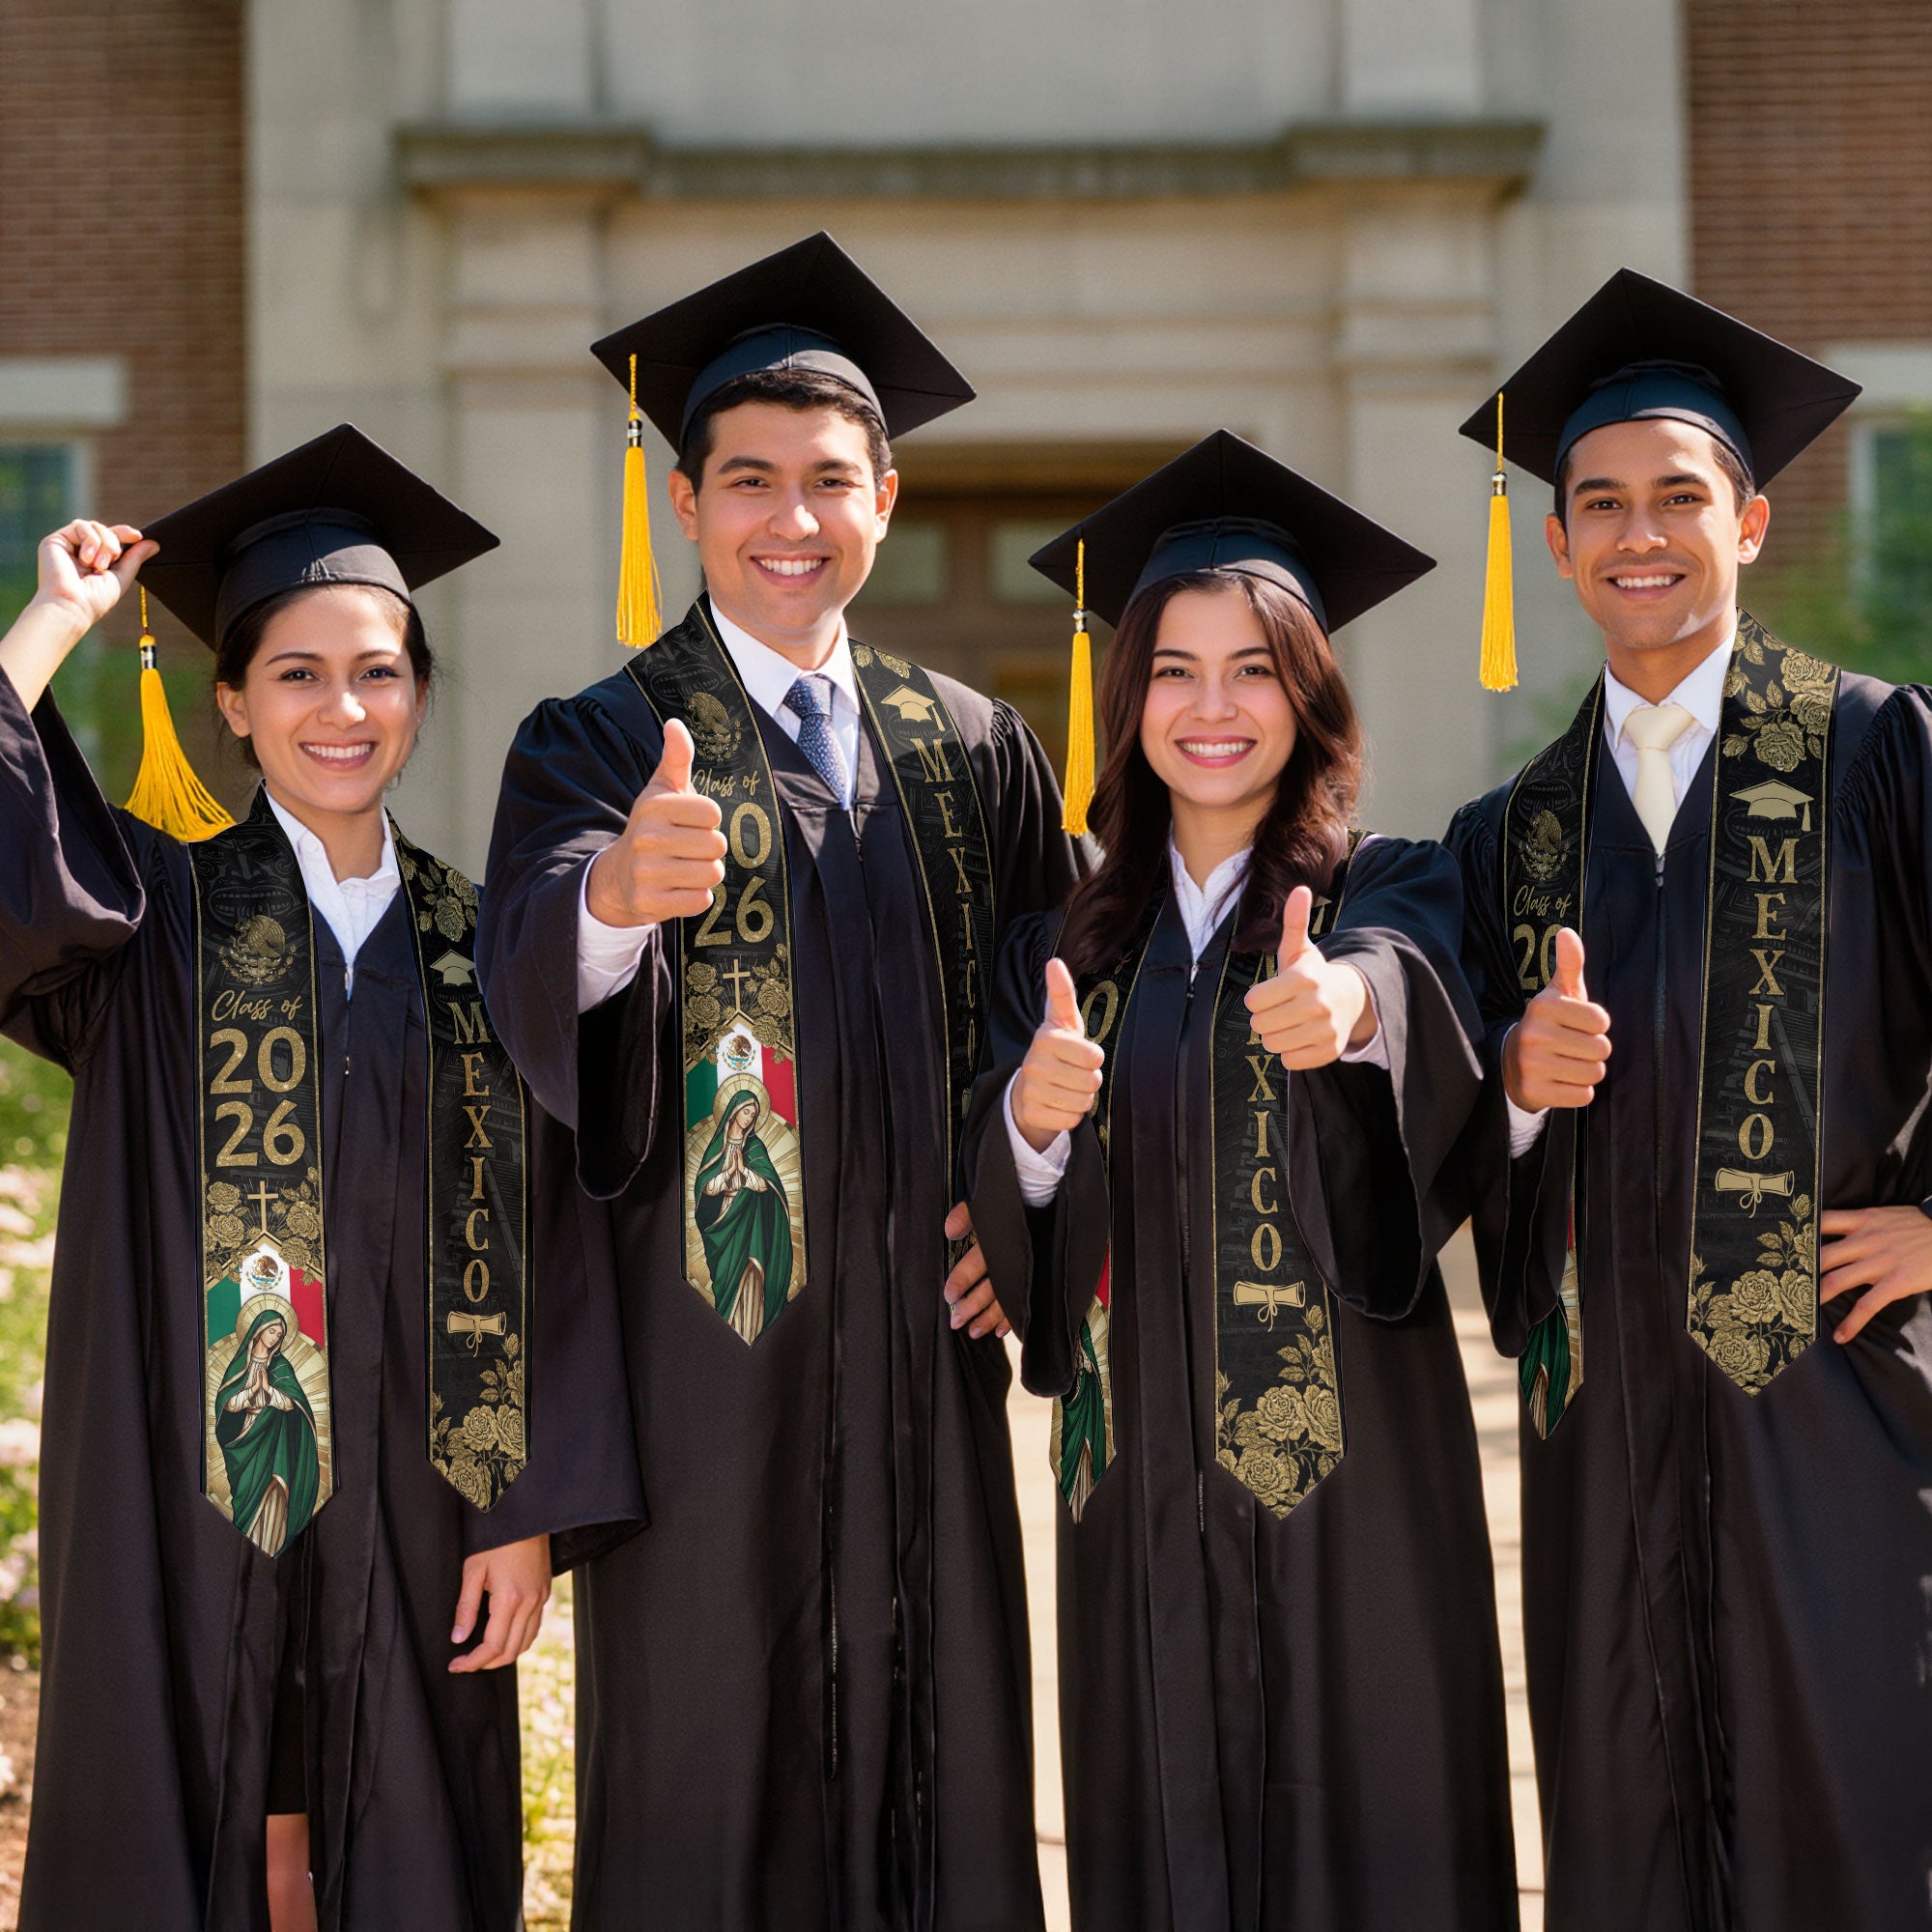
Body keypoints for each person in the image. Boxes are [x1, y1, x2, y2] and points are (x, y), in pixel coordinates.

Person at [478, 233, 1083, 1930]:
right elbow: (525, 973)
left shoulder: (973, 744)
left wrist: (1025, 1204)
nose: (791, 519)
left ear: (886, 496)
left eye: (831, 481)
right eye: (750, 481)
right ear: (686, 503)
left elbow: (1071, 1016)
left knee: (943, 1769)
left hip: (922, 1366)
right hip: (707, 1381)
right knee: (709, 1784)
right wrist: (609, 900)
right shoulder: (598, 739)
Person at [1, 425, 642, 1932]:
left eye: (378, 671)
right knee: (187, 1806)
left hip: (426, 1500)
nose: (341, 708)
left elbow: (561, 1238)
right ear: (232, 701)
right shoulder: (149, 918)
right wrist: (50, 624)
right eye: (295, 673)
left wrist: (527, 1507)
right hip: (182, 1485)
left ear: (420, 694)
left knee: (407, 1834)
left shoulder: (490, 945)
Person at [964, 432, 1518, 1930]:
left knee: (1377, 1829)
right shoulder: (1066, 949)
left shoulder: (1387, 886)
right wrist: (1027, 1119)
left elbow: (1414, 990)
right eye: (1175, 671)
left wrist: (1349, 1013)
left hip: (1359, 1490)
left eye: (1256, 668)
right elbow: (1012, 1213)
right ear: (1127, 696)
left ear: (1311, 693)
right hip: (1135, 1481)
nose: (1214, 709)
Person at [1446, 270, 1932, 1931]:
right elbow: (1441, 1135)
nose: (1637, 534)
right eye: (1599, 504)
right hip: (1605, 1435)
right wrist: (1511, 1088)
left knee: (1857, 1813)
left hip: (1841, 1411)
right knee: (1626, 1828)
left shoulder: (1874, 752)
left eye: (1678, 497)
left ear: (1752, 521)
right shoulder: (1509, 833)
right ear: (1561, 543)